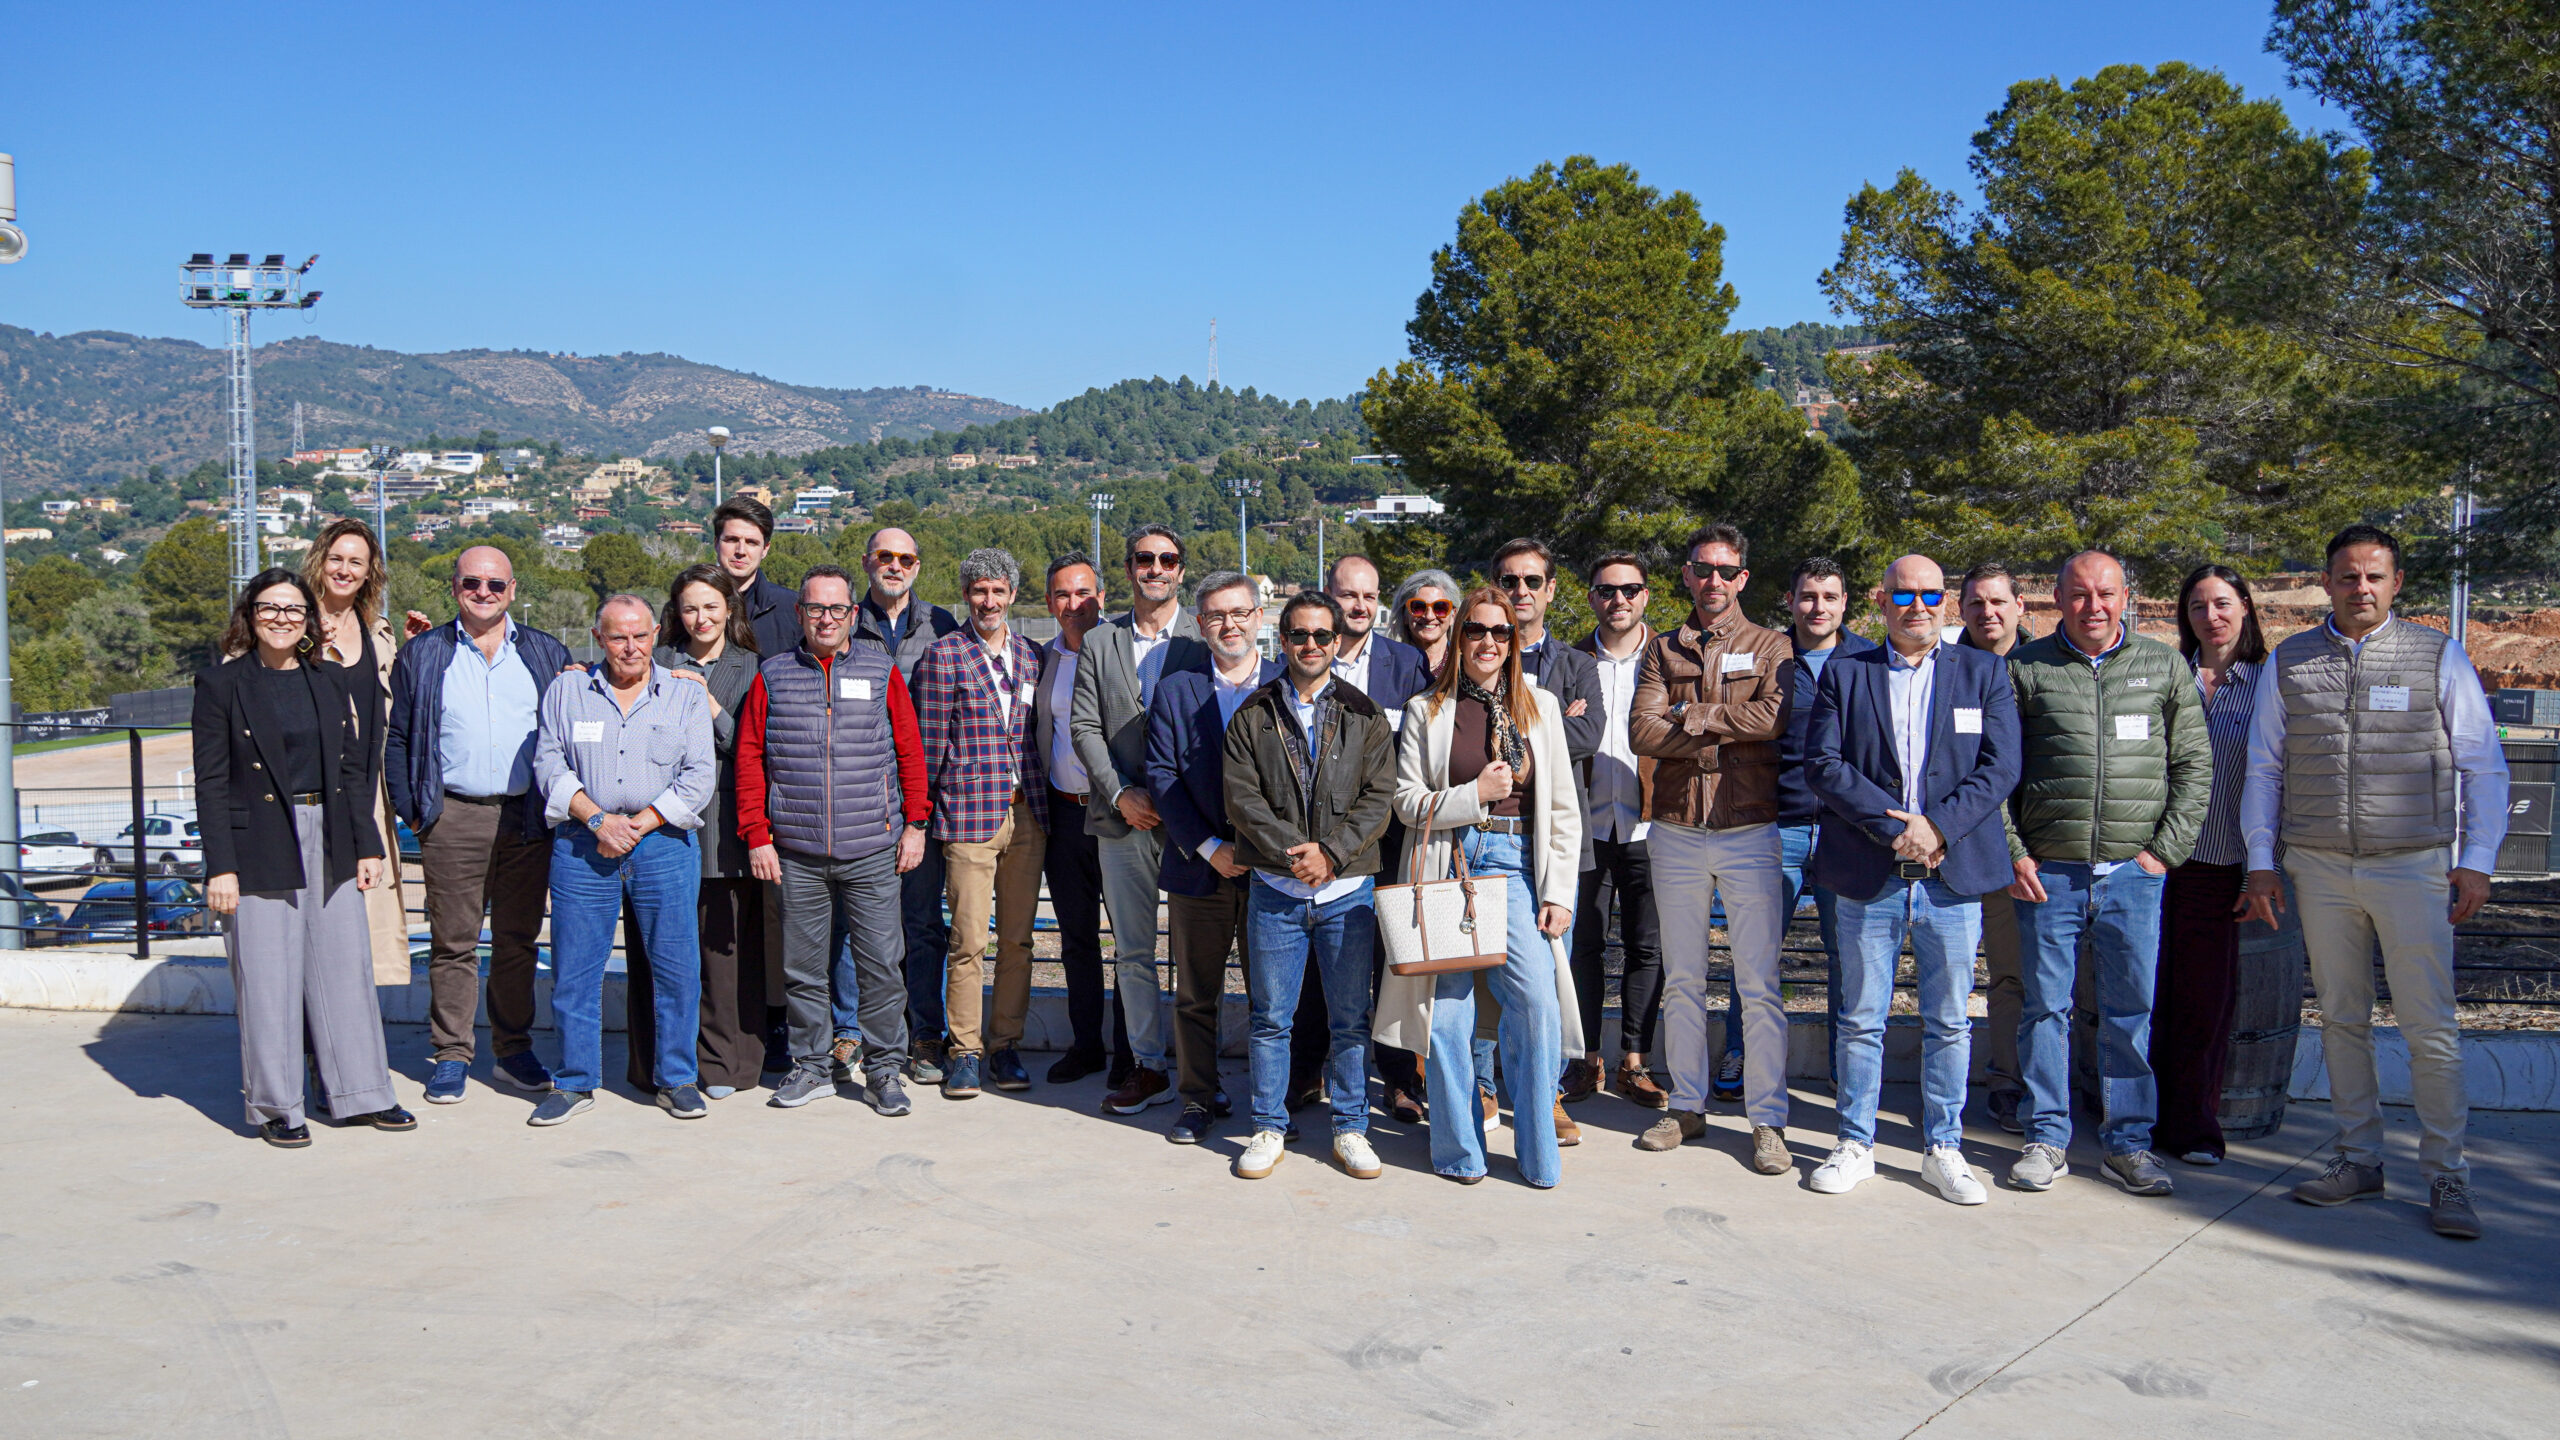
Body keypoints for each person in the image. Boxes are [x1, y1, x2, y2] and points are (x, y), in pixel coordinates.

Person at [2243, 524, 2508, 1239]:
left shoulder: (2437, 656)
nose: (2361, 588)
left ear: (2396, 585)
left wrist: (2477, 859)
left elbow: (2483, 763)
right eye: (2348, 576)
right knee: (2342, 1018)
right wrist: (2261, 860)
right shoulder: (2290, 661)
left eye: (2374, 577)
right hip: (2319, 867)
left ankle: (2448, 1175)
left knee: (2431, 1028)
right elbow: (2265, 767)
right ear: (2325, 583)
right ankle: (2359, 1158)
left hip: (2413, 866)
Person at [1805, 556, 2021, 1204]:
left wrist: (1937, 829)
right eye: (1905, 593)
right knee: (1862, 1017)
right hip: (1870, 873)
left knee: (1950, 1021)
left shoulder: (1983, 673)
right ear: (1882, 599)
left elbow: (2000, 766)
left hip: (1949, 879)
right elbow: (1824, 763)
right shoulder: (1847, 673)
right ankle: (1854, 1143)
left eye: (1930, 593)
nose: (1918, 604)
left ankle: (1943, 1147)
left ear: (1946, 600)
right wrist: (1896, 827)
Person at [2005, 551, 2210, 1197]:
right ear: (2056, 599)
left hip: (2132, 874)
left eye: (2106, 593)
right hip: (2049, 876)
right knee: (2045, 1009)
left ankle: (2127, 1144)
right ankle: (2047, 1137)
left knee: (2129, 1012)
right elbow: (1995, 772)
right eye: (2080, 594)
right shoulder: (2025, 669)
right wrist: (2016, 852)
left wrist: (2159, 856)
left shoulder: (2163, 666)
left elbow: (2194, 768)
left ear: (2129, 597)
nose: (2094, 606)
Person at [195, 570, 409, 1147]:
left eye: (294, 609)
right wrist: (221, 866)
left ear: (309, 620)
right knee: (267, 979)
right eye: (271, 607)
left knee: (345, 971)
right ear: (250, 614)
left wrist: (366, 843)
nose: (283, 618)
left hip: (332, 833)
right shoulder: (222, 685)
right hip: (258, 839)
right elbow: (211, 784)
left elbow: (350, 770)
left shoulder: (329, 680)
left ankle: (362, 1095)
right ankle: (275, 1107)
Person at [1378, 589, 1583, 1186]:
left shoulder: (1538, 706)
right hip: (1452, 860)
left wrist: (1559, 893)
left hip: (1520, 862)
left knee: (1537, 1003)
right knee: (1447, 1018)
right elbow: (1405, 801)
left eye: (1500, 632)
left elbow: (1564, 810)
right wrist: (1474, 797)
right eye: (1475, 631)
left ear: (1513, 641)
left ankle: (1537, 1148)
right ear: (1459, 638)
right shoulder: (1428, 710)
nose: (1488, 642)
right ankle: (1459, 1151)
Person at [1626, 524, 1795, 1175]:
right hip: (1673, 830)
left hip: (1750, 829)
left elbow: (1773, 718)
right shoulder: (1662, 648)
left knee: (1759, 983)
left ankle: (1767, 1120)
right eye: (1703, 569)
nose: (1714, 581)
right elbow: (1642, 729)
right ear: (1688, 575)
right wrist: (1720, 731)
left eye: (1726, 570)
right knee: (1684, 979)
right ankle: (1688, 1106)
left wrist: (1693, 717)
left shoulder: (1771, 645)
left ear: (1742, 577)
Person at [384, 545, 573, 1105]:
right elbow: (398, 738)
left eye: (495, 584)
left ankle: (513, 1051)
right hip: (453, 815)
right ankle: (451, 1054)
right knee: (453, 944)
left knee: (517, 941)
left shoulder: (544, 652)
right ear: (455, 587)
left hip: (527, 816)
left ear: (513, 589)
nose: (484, 593)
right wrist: (414, 811)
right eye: (473, 583)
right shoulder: (423, 653)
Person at [739, 564, 929, 1115]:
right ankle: (813, 1066)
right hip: (796, 851)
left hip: (873, 846)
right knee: (803, 968)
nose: (827, 618)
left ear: (853, 615)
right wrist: (758, 835)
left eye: (838, 609)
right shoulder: (772, 675)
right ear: (800, 613)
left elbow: (908, 750)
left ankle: (884, 1070)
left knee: (879, 966)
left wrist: (915, 823)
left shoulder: (880, 670)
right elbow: (752, 758)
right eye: (816, 608)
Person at [1220, 592, 1397, 1181]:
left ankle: (1350, 1128)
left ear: (1337, 641)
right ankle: (1268, 1125)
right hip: (1277, 889)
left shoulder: (1366, 714)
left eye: (1323, 636)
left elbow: (1379, 799)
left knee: (1351, 1017)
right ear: (1284, 640)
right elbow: (1241, 798)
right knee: (1271, 1017)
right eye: (1300, 636)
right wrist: (1297, 857)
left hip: (1347, 891)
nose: (1313, 646)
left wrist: (1334, 854)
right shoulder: (1252, 714)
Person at [527, 595, 716, 1126]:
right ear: (599, 636)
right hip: (584, 843)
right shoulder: (567, 690)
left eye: (639, 636)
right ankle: (574, 1081)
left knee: (676, 970)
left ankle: (676, 1079)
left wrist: (641, 824)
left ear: (656, 634)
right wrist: (597, 821)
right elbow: (548, 760)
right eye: (616, 637)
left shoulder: (682, 695)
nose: (629, 648)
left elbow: (700, 775)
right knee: (575, 969)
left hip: (662, 844)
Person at [1070, 524, 1207, 1111]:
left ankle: (1202, 1075)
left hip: (1191, 826)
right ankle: (1148, 1066)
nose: (1156, 568)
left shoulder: (1204, 645)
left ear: (1181, 569)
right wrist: (1122, 791)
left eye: (1167, 559)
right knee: (1132, 951)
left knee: (1199, 953)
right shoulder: (1100, 642)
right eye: (1145, 559)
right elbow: (1083, 728)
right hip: (1123, 821)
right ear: (1128, 570)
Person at [620, 566, 764, 1101]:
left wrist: (711, 707)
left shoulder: (752, 668)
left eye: (710, 606)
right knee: (654, 952)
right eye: (689, 609)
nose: (700, 618)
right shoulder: (656, 663)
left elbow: (752, 749)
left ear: (730, 608)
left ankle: (725, 1064)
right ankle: (653, 1063)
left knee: (724, 956)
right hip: (657, 832)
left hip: (723, 833)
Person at [1147, 571, 1279, 1143]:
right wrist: (1209, 848)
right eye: (1216, 616)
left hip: (1271, 875)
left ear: (1258, 618)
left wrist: (1260, 851)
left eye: (1239, 613)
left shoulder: (1285, 684)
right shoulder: (1177, 688)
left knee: (1270, 1000)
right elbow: (1161, 776)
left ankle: (1272, 1108)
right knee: (1196, 996)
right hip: (1198, 870)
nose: (1229, 625)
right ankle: (1198, 1099)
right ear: (1200, 625)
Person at [916, 547, 1049, 1100]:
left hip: (1028, 815)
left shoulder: (1033, 655)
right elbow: (927, 749)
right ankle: (964, 1051)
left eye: (998, 590)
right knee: (968, 939)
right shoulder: (943, 657)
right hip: (968, 817)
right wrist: (918, 821)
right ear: (965, 596)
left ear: (1013, 595)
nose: (988, 601)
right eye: (978, 591)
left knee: (1017, 941)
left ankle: (1005, 1045)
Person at [2149, 564, 2266, 1167]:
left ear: (2245, 606)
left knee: (2202, 1003)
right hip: (2151, 863)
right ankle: (2138, 1118)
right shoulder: (2169, 676)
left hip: (2220, 867)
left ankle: (2192, 1127)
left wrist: (2256, 874)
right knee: (2143, 998)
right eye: (2198, 606)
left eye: (2222, 603)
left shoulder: (2269, 684)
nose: (2211, 616)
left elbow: (2279, 783)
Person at [1493, 538, 1600, 1140]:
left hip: (1554, 841)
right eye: (1510, 581)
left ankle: (1549, 1092)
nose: (1521, 592)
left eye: (1533, 581)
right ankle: (1488, 1087)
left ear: (1551, 589)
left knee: (1551, 974)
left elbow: (1590, 734)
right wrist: (1556, 723)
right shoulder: (1472, 655)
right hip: (1488, 840)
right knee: (1486, 973)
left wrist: (1538, 737)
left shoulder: (1577, 663)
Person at [850, 525, 966, 1082]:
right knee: (857, 923)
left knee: (921, 924)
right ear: (868, 561)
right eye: (885, 555)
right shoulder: (844, 623)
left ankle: (925, 1034)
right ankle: (854, 1035)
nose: (895, 565)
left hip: (924, 805)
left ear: (918, 566)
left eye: (906, 557)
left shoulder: (942, 625)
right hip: (857, 801)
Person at [1326, 553, 1437, 1121]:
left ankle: (1397, 1079)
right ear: (1330, 595)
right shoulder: (1306, 652)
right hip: (1324, 838)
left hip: (1392, 839)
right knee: (1328, 952)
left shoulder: (1407, 664)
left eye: (1370, 596)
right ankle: (1310, 1074)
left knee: (1393, 959)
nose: (1361, 606)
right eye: (1349, 595)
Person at [1569, 552, 1667, 1110]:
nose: (1619, 600)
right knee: (1583, 945)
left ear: (1646, 596)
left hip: (1650, 826)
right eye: (1607, 590)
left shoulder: (1670, 659)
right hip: (1585, 826)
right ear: (1591, 598)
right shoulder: (1569, 661)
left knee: (1645, 947)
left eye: (1630, 589)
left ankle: (1635, 1061)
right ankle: (1586, 1060)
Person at [1773, 555, 1875, 1092]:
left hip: (1845, 832)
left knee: (1847, 959)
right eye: (1808, 596)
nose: (1818, 607)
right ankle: (1742, 1060)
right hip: (1779, 826)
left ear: (1844, 604)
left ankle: (1844, 1070)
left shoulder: (1868, 660)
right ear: (1790, 601)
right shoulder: (1768, 656)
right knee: (1758, 959)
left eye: (1830, 597)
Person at [1034, 552, 1135, 1086]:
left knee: (1128, 939)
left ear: (1102, 596)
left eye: (1083, 593)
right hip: (1064, 815)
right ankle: (1086, 1045)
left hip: (1115, 814)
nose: (1074, 605)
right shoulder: (1042, 658)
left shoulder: (1121, 649)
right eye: (1063, 595)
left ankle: (1129, 1051)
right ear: (1050, 602)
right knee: (1075, 938)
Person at [301, 518, 411, 988]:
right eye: (336, 559)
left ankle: (351, 1041)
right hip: (312, 790)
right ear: (319, 562)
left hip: (368, 793)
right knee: (313, 917)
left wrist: (414, 645)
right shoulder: (292, 624)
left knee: (367, 922)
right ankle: (311, 1048)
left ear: (371, 573)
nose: (344, 570)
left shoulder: (378, 632)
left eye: (356, 562)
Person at [1956, 560, 2034, 1132]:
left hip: (2028, 851)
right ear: (1961, 610)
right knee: (1956, 979)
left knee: (2020, 975)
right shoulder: (1943, 669)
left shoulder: (2047, 667)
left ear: (2019, 606)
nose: (1988, 612)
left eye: (1998, 602)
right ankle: (1979, 1090)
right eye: (1977, 603)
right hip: (1956, 847)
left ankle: (2016, 1081)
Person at [713, 496, 805, 661]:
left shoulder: (794, 609)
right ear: (716, 543)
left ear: (765, 549)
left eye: (751, 542)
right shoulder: (687, 607)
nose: (740, 550)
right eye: (732, 540)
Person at [1389, 567, 1463, 677]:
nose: (1429, 616)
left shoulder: (1465, 666)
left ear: (1453, 615)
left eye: (1440, 607)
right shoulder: (1388, 666)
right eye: (1418, 607)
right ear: (1404, 615)